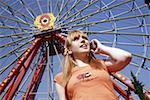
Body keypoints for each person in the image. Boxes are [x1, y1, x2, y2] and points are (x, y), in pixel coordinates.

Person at [54, 30, 132, 100]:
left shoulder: (100, 64)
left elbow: (125, 57)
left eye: (84, 38)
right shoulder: (61, 77)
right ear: (69, 49)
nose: (83, 40)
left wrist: (101, 48)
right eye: (76, 39)